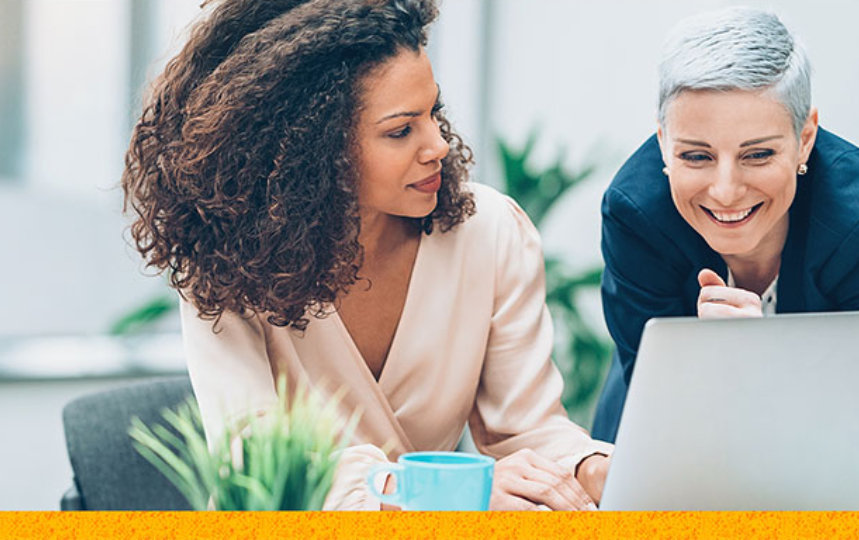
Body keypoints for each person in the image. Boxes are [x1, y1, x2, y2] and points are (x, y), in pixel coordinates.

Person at [122, 0, 612, 510]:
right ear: (313, 149)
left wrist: (590, 467)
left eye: (434, 114)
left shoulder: (489, 232)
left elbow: (527, 430)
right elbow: (260, 469)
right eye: (401, 130)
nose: (438, 145)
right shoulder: (228, 269)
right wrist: (451, 495)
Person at [592, 6, 859, 443]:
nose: (726, 191)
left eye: (758, 154)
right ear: (662, 142)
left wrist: (762, 360)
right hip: (666, 437)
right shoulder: (635, 214)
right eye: (696, 156)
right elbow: (655, 403)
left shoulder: (853, 222)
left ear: (805, 139)